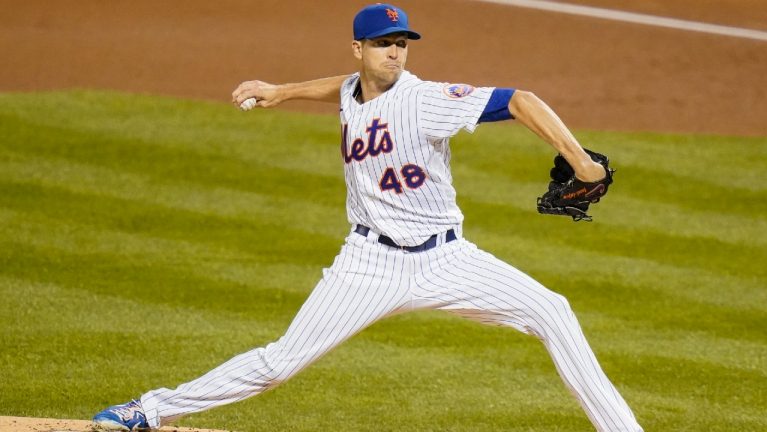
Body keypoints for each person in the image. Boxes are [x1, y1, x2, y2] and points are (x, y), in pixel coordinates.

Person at [92, 4, 642, 431]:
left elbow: (522, 99)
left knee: (552, 311)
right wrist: (281, 91)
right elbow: (345, 87)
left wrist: (585, 164)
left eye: (401, 44)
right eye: (383, 45)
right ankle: (151, 409)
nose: (395, 54)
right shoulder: (356, 87)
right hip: (369, 263)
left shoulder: (426, 99)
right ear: (360, 48)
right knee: (279, 363)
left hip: (447, 259)